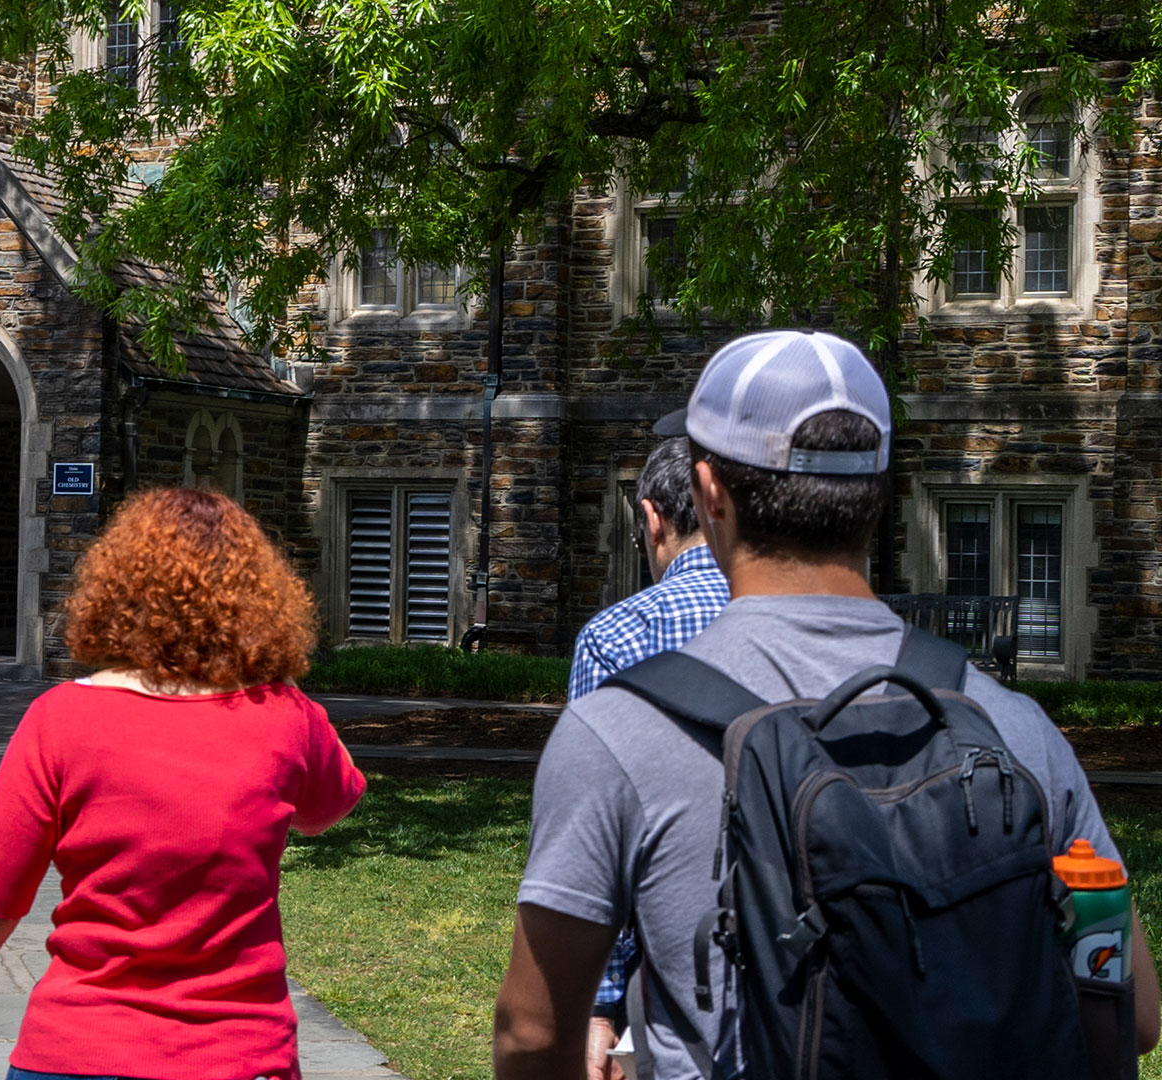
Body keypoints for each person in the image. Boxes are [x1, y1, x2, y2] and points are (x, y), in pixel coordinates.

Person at [494, 330, 1162, 1079]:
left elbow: (532, 1032)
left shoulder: (619, 730)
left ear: (709, 494)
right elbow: (1133, 1016)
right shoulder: (1014, 727)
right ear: (879, 492)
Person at [0, 487, 366, 1080]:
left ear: (116, 592)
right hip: (234, 1055)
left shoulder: (59, 718)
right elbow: (328, 806)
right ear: (258, 598)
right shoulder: (285, 716)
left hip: (76, 1048)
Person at [567, 437, 729, 1079]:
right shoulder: (787, 624)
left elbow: (596, 837)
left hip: (658, 957)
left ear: (653, 519)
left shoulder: (613, 638)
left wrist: (601, 1004)